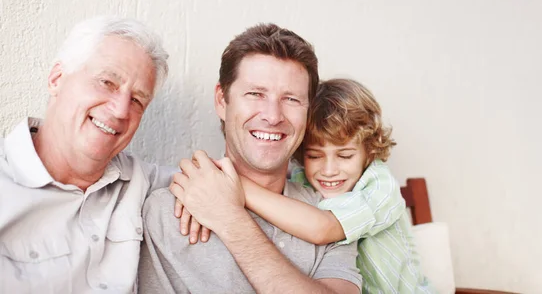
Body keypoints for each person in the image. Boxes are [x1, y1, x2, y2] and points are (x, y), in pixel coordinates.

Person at [138, 24, 362, 293]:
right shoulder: (168, 211)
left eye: (291, 99)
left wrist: (230, 219)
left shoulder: (332, 213)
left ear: (308, 112)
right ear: (222, 100)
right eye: (256, 94)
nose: (273, 116)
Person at [0, 16, 173, 293]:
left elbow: (227, 182)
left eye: (137, 100)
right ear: (56, 79)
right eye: (106, 82)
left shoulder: (142, 183)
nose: (120, 110)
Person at [239, 79, 435, 293]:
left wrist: (237, 186)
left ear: (369, 151)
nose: (329, 170)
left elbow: (323, 228)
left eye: (344, 155)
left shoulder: (380, 186)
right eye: (314, 156)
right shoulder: (300, 178)